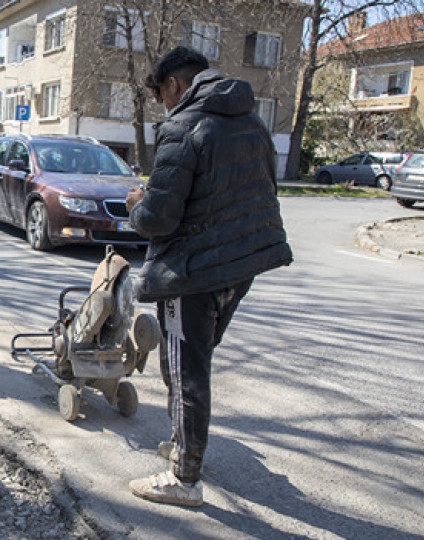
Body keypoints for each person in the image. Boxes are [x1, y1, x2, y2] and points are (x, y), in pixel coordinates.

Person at [124, 47, 293, 507]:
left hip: (192, 272)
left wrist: (136, 204)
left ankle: (184, 478)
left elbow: (158, 219)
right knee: (189, 363)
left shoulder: (182, 126)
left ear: (175, 86)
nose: (164, 104)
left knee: (184, 373)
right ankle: (185, 447)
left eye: (162, 95)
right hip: (243, 265)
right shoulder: (253, 123)